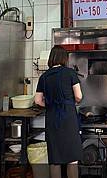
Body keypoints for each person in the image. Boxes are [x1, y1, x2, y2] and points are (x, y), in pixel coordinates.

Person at [34, 45, 83, 178]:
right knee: (72, 158)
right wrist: (71, 103)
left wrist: (50, 105)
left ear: (51, 58)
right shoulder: (70, 73)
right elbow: (79, 96)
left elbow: (37, 100)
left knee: (55, 159)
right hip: (68, 118)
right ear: (64, 58)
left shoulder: (44, 77)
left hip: (52, 118)